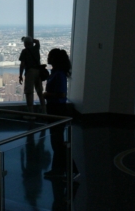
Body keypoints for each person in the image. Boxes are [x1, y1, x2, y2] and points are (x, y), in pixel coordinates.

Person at [42, 48, 79, 180]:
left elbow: (62, 94)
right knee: (57, 142)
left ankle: (67, 169)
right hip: (55, 109)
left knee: (57, 142)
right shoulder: (56, 73)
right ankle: (64, 169)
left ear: (55, 59)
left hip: (57, 109)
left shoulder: (59, 74)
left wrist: (47, 94)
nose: (48, 58)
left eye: (50, 56)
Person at [19, 36, 46, 113]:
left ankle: (31, 113)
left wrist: (20, 75)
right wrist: (30, 39)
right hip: (38, 71)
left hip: (30, 72)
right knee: (40, 92)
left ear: (25, 44)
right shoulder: (36, 49)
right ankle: (44, 112)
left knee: (29, 92)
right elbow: (37, 41)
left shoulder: (24, 51)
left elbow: (22, 65)